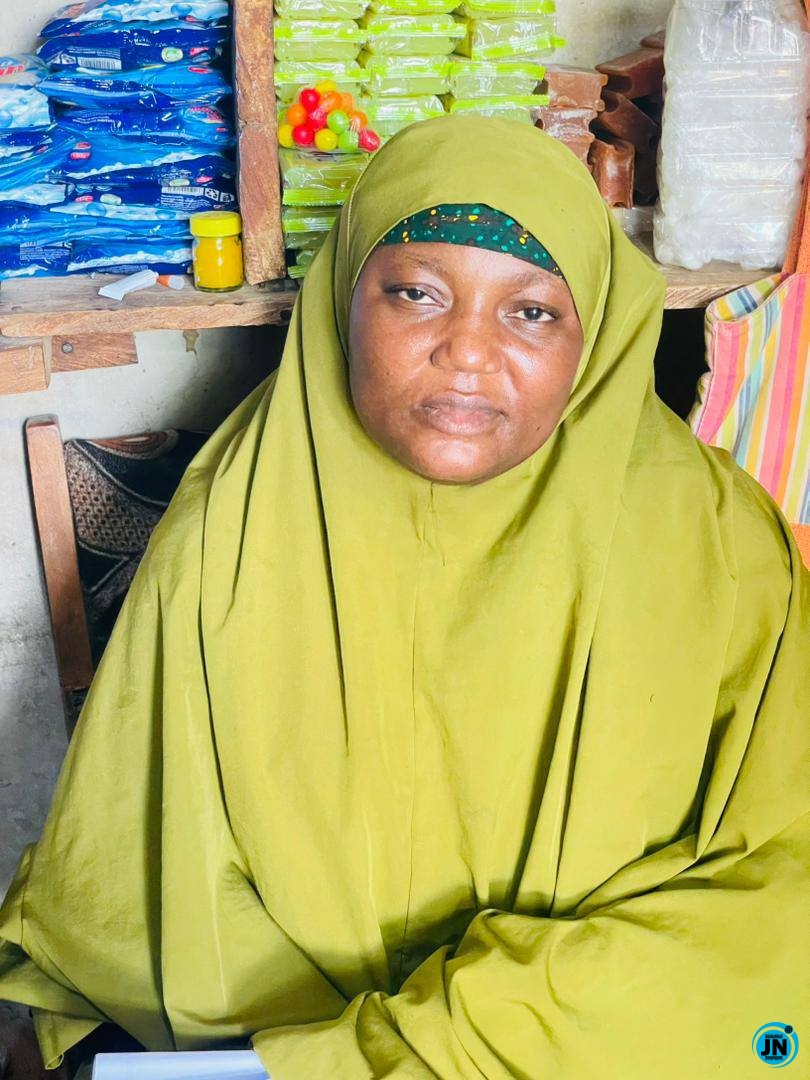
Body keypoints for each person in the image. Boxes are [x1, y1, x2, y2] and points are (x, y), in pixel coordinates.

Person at [1, 116, 808, 1079]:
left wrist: (431, 1045)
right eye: (418, 293)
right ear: (345, 302)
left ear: (596, 334)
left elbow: (773, 881)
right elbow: (145, 885)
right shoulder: (233, 525)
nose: (468, 351)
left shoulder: (719, 545)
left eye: (531, 312)